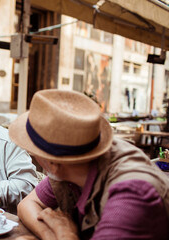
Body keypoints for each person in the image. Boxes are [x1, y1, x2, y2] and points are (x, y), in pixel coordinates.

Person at [9, 89, 169, 240]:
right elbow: (26, 205)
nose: (33, 155)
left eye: (33, 151)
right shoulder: (74, 160)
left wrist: (67, 235)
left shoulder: (131, 197)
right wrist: (51, 234)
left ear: (53, 163)